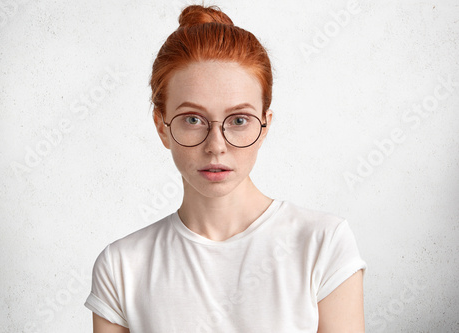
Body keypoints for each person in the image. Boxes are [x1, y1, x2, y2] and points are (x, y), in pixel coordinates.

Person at [85, 4, 367, 333]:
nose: (216, 145)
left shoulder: (323, 244)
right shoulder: (122, 267)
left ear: (264, 126)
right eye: (193, 119)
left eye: (238, 120)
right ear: (162, 127)